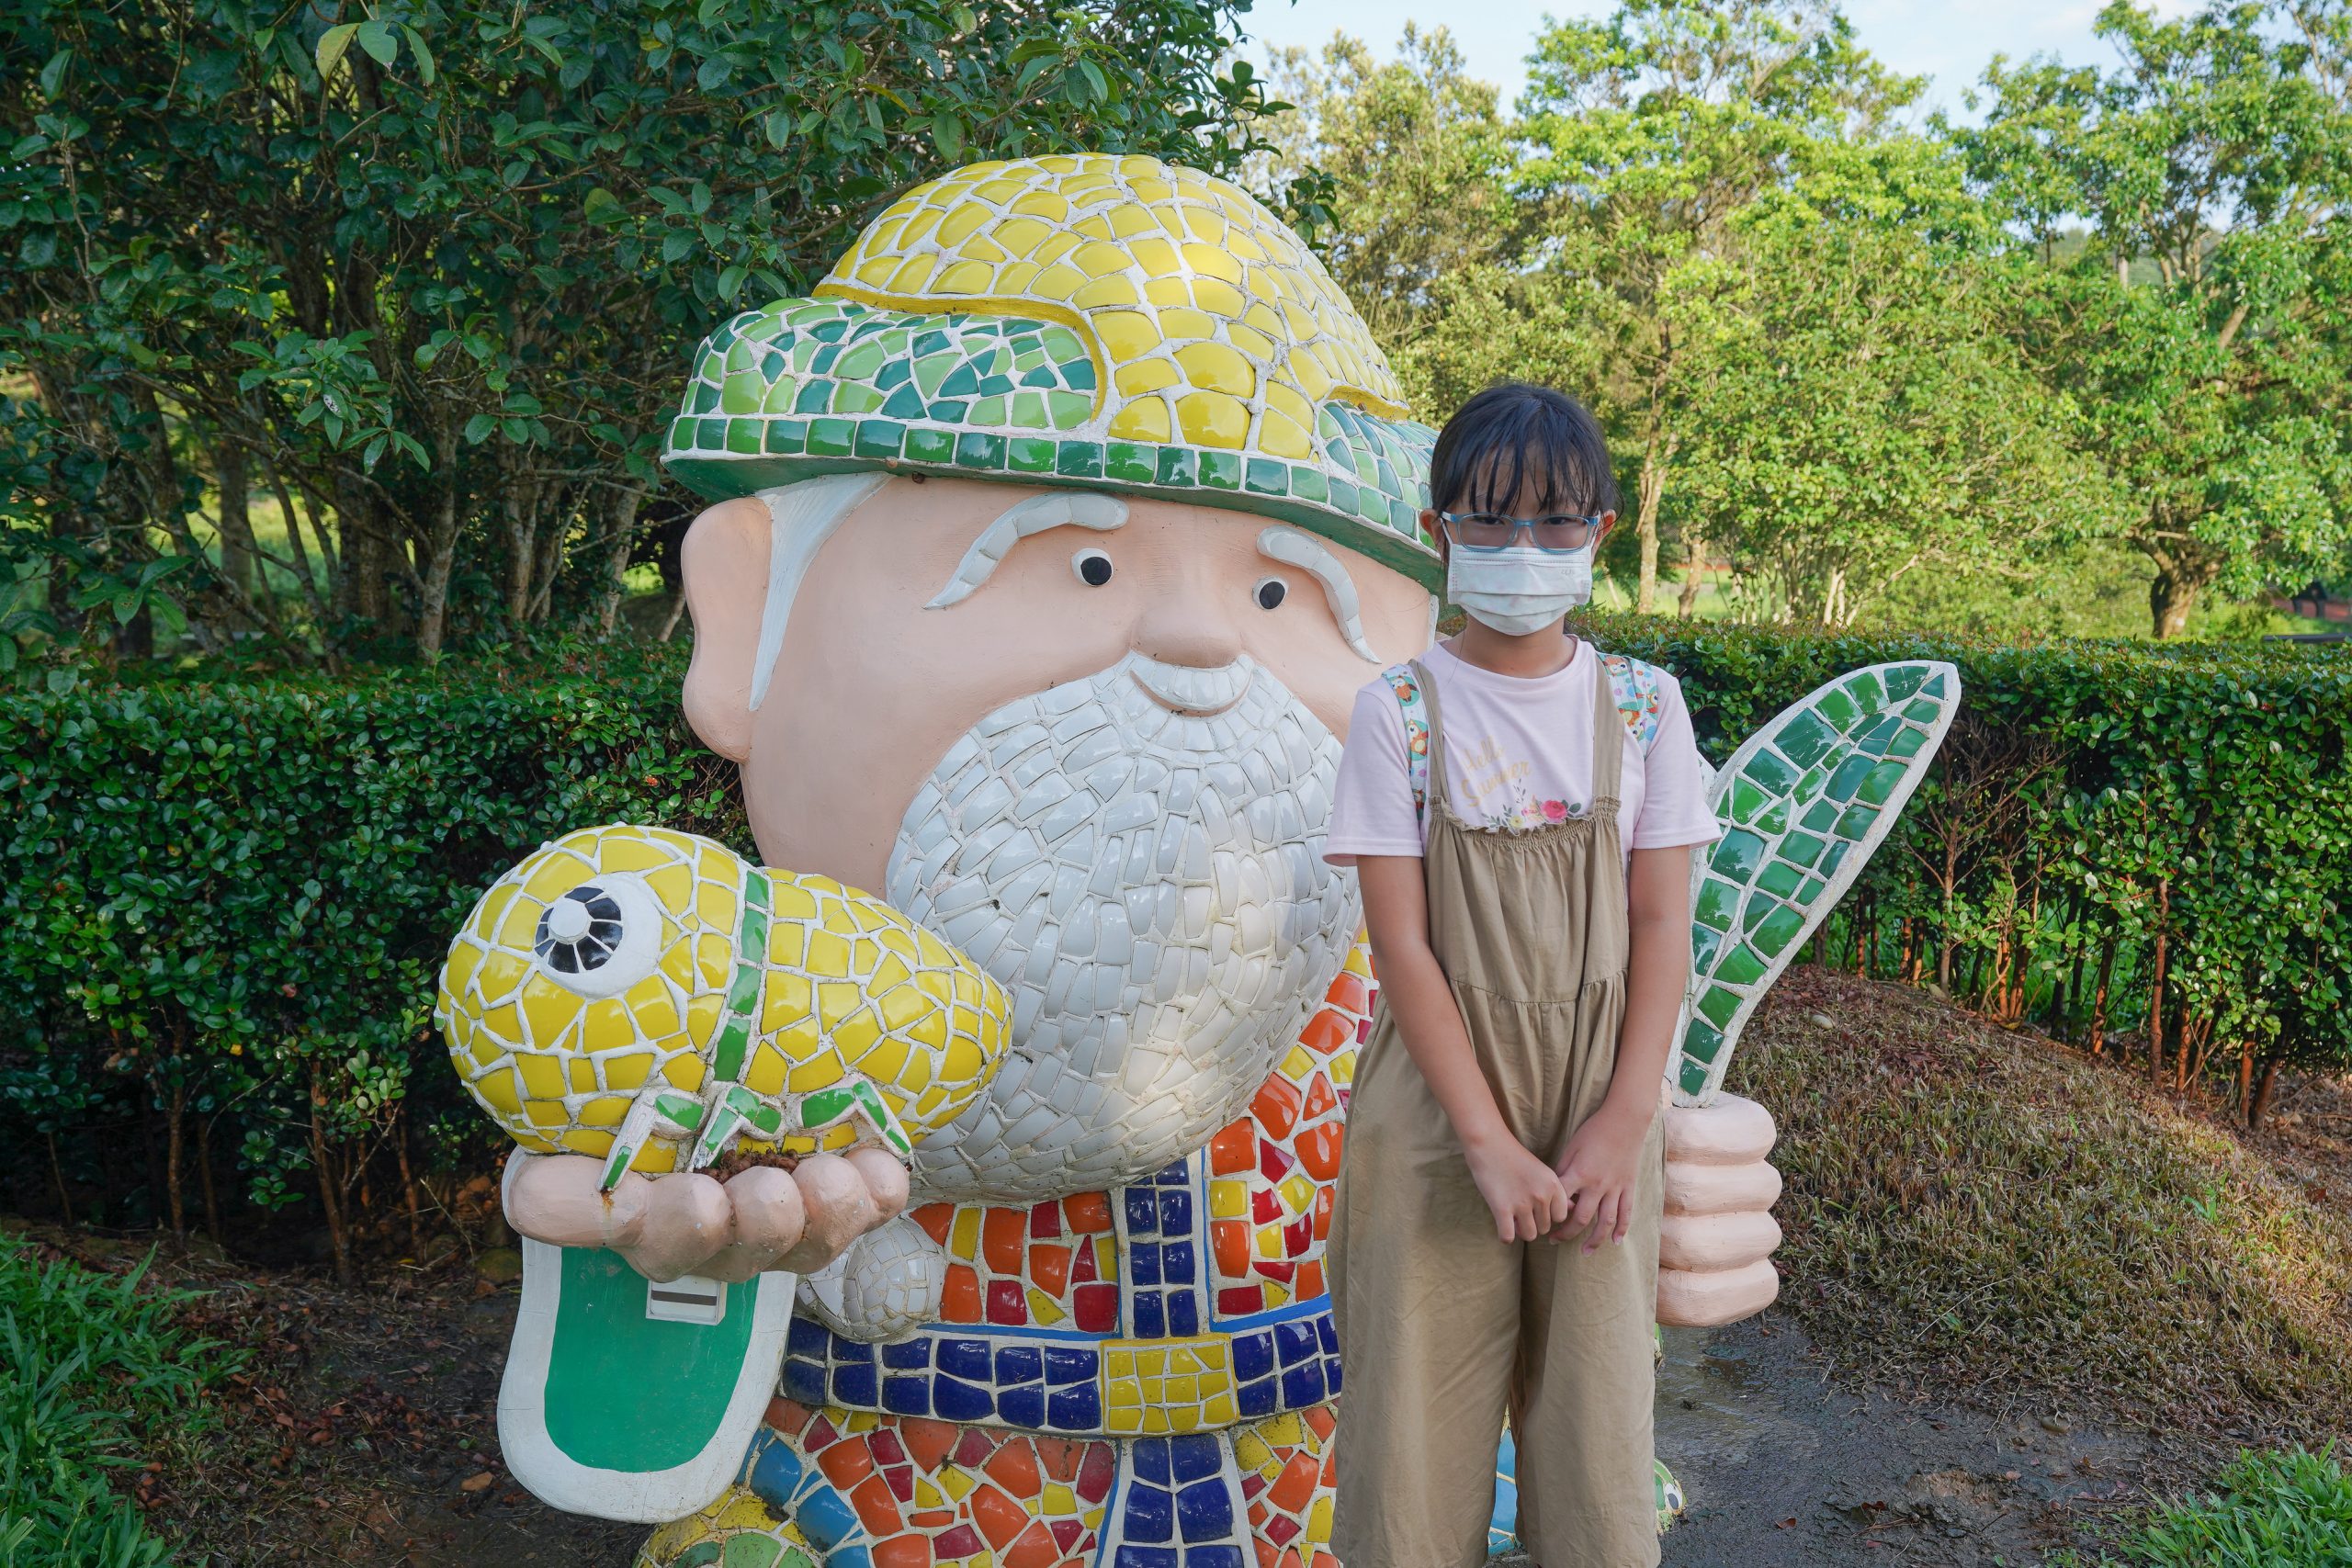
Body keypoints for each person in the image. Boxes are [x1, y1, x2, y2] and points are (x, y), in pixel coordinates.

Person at [1324, 381, 1723, 1568]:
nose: (1521, 550)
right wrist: (1487, 1140)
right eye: (1488, 522)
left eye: (1554, 522)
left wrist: (1623, 1118)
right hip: (1440, 1114)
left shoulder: (1646, 711)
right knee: (1408, 1451)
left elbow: (1663, 929)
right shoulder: (1397, 711)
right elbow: (1402, 947)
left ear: (1601, 530)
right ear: (1439, 530)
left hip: (1603, 1106)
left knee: (1598, 1446)